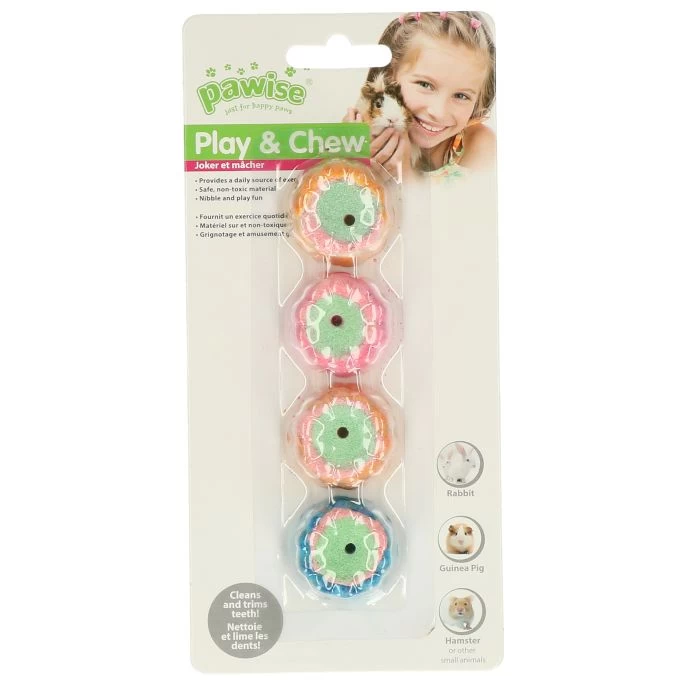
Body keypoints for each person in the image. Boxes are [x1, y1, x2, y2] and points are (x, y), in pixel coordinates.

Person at [345, 11, 496, 178]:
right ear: (390, 75)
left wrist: (404, 172)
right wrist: (347, 155)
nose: (438, 112)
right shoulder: (364, 125)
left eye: (461, 96)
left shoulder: (480, 145)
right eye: (425, 85)